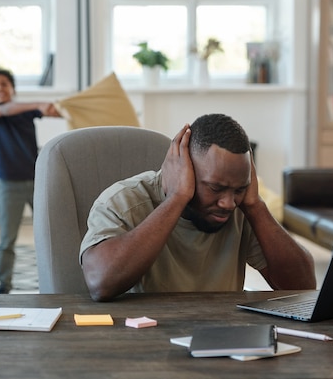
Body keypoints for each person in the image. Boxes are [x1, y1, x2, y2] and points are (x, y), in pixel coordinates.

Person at [80, 113, 316, 301]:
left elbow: (303, 287)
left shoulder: (242, 208)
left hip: (220, 341)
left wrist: (255, 206)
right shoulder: (124, 202)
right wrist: (177, 198)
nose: (227, 203)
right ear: (186, 170)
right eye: (215, 188)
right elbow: (101, 283)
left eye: (239, 189)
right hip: (141, 344)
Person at [0, 69, 60, 294]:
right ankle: (3, 286)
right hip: (9, 185)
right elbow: (4, 110)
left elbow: (58, 112)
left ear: (13, 88)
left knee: (49, 235)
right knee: (7, 239)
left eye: (4, 84)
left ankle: (55, 282)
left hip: (38, 181)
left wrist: (61, 108)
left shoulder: (25, 112)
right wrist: (39, 104)